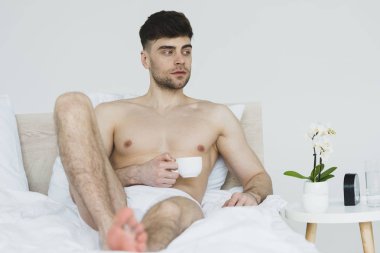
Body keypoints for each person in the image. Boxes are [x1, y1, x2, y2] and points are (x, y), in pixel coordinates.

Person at [54, 10, 272, 252]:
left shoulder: (215, 115)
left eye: (186, 51)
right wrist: (137, 174)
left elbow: (258, 178)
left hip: (178, 202)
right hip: (114, 205)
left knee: (171, 208)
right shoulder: (112, 113)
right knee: (70, 102)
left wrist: (252, 195)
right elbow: (82, 186)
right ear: (145, 60)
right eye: (168, 51)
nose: (180, 60)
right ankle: (111, 234)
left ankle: (129, 247)